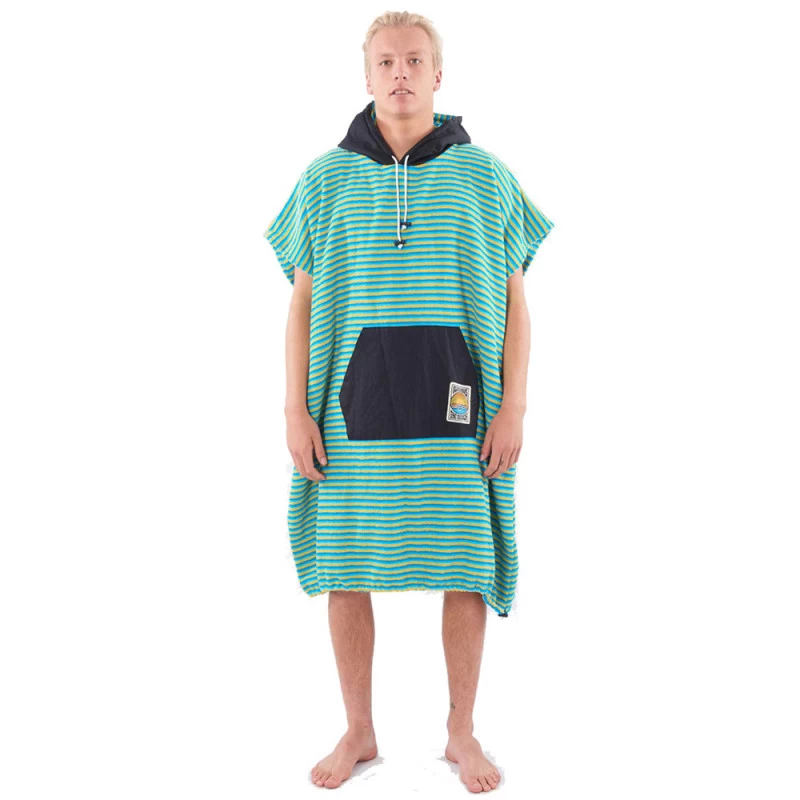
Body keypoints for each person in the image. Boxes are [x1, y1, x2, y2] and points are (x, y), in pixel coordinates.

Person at [264, 11, 554, 793]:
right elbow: (302, 302)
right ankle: (358, 730)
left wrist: (515, 407)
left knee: (465, 561)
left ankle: (461, 732)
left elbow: (516, 301)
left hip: (459, 408)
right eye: (387, 61)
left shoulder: (485, 175)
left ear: (437, 75)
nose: (400, 73)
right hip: (351, 409)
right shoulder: (324, 179)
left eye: (415, 61)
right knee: (346, 559)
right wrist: (293, 409)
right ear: (367, 76)